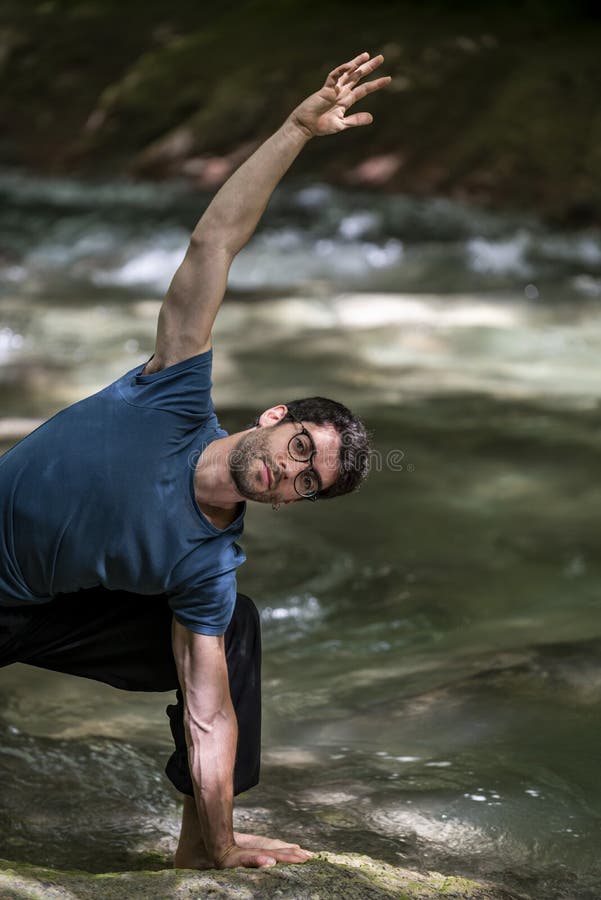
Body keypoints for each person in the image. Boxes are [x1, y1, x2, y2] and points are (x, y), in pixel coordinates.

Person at [0, 52, 390, 870]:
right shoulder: (173, 390)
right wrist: (292, 130)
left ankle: (202, 847)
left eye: (306, 483)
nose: (290, 473)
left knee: (228, 632)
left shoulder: (203, 564)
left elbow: (209, 711)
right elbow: (215, 241)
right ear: (274, 418)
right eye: (298, 450)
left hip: (22, 611)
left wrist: (217, 842)